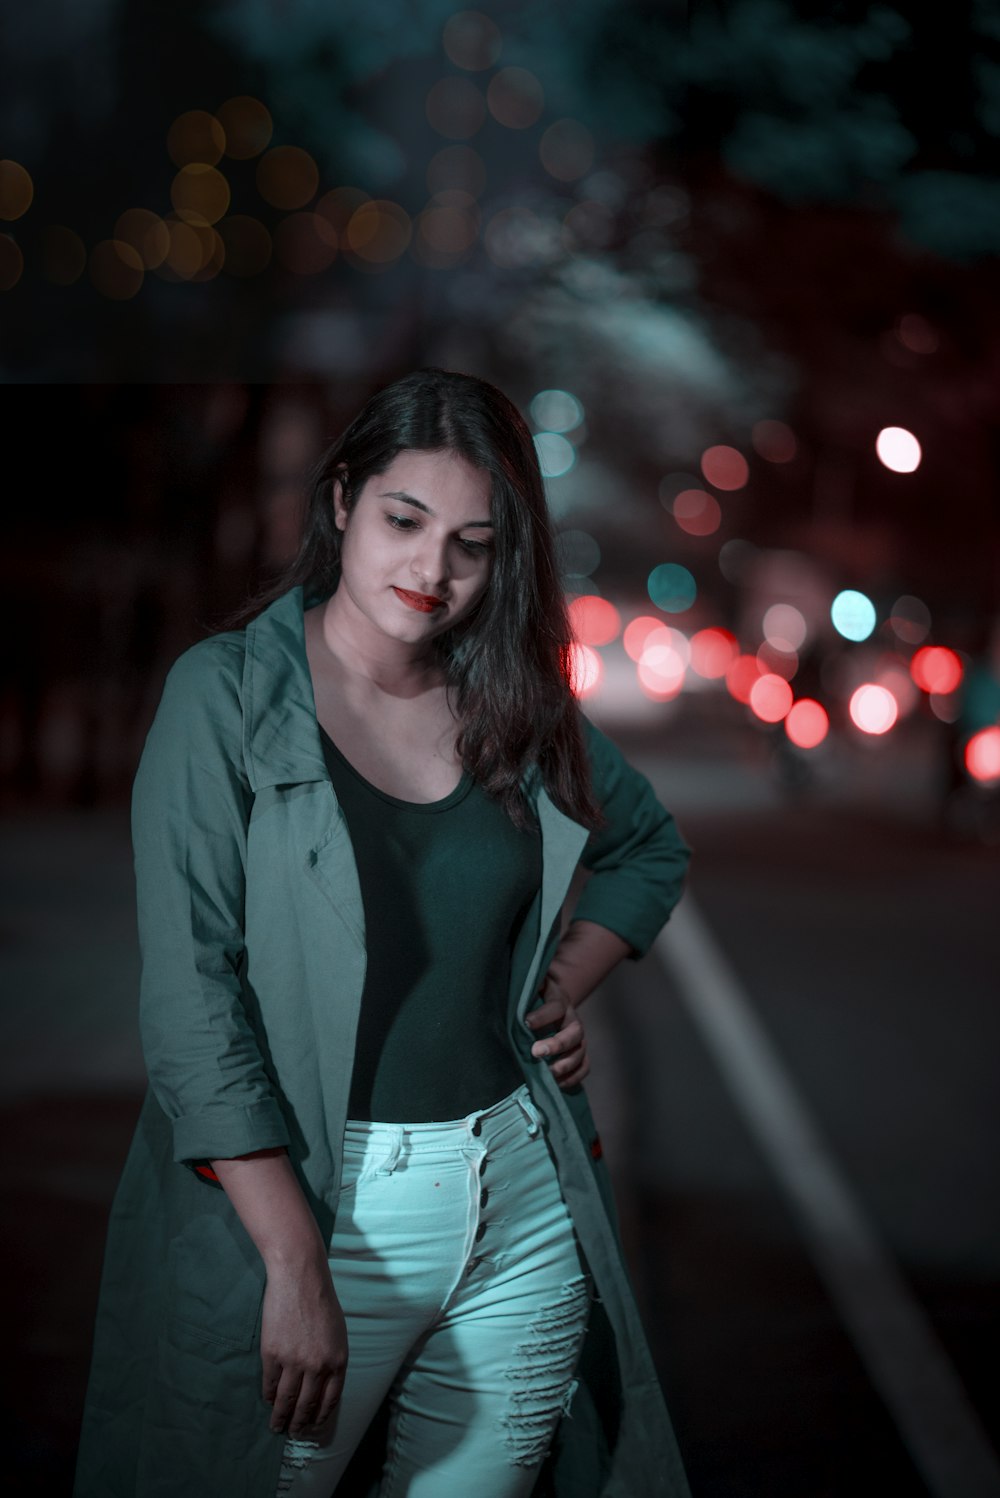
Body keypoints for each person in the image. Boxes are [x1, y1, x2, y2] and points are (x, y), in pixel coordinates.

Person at [73, 368, 693, 1498]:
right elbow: (192, 1001)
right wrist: (295, 1259)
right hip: (317, 1202)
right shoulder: (225, 697)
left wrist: (562, 982)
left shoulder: (512, 699)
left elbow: (647, 845)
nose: (432, 572)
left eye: (474, 542)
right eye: (406, 521)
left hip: (518, 1191)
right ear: (345, 498)